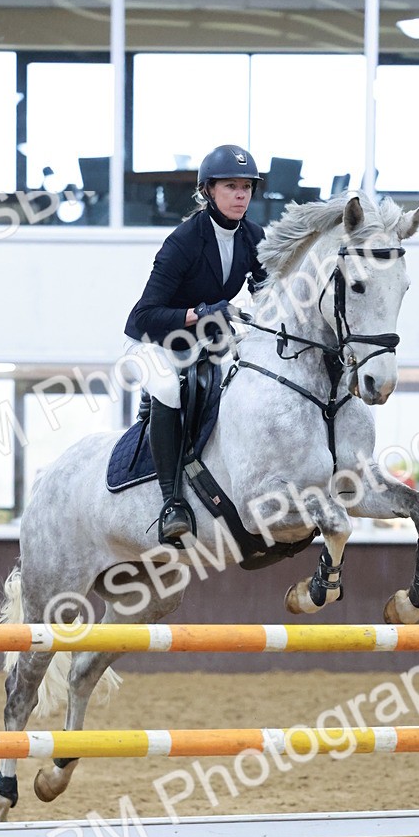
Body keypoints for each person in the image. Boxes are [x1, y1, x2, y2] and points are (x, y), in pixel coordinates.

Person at [123, 145, 268, 546]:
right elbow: (145, 314)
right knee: (169, 388)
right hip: (153, 340)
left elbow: (267, 291)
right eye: (231, 187)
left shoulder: (254, 236)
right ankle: (171, 502)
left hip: (204, 339)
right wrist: (199, 312)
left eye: (246, 187)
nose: (241, 195)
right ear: (208, 191)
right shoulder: (184, 241)